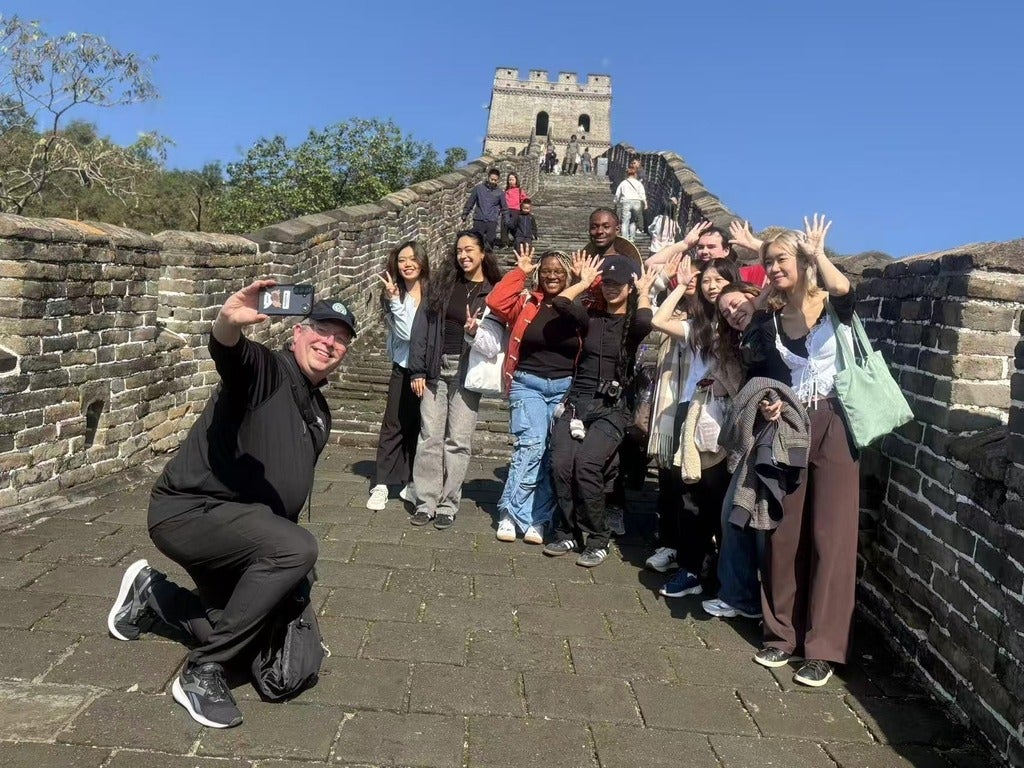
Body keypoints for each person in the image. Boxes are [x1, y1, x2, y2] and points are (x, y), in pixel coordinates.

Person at [106, 281, 357, 729]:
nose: (329, 341)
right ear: (297, 332)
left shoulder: (320, 412)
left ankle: (152, 596)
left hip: (242, 532)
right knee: (297, 550)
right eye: (321, 328)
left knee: (254, 645)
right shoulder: (267, 372)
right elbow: (233, 354)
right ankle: (201, 673)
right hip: (189, 511)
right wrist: (227, 323)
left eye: (340, 337)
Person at [742, 214, 858, 687]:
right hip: (790, 426)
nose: (773, 268)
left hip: (835, 422)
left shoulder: (832, 304)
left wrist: (819, 256)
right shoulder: (768, 318)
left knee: (832, 536)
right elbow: (759, 371)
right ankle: (780, 634)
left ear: (802, 261)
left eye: (780, 259)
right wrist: (768, 403)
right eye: (767, 262)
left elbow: (848, 292)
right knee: (784, 531)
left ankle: (824, 647)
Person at [544, 254, 655, 567]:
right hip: (577, 401)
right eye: (606, 282)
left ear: (629, 286)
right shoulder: (590, 317)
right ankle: (565, 531)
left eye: (617, 284)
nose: (610, 289)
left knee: (588, 465)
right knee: (561, 464)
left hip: (613, 407)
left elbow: (647, 322)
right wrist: (582, 282)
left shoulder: (632, 325)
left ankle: (597, 537)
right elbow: (561, 304)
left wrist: (643, 291)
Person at [650, 256, 744, 598]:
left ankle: (716, 569)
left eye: (719, 279)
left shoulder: (741, 322)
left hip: (732, 416)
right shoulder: (697, 327)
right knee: (690, 493)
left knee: (721, 498)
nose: (711, 284)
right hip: (696, 414)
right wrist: (680, 285)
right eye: (706, 280)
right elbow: (659, 320)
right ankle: (691, 569)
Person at [484, 246, 580, 544]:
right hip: (528, 383)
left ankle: (539, 518)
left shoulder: (579, 304)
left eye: (559, 272)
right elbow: (496, 301)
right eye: (547, 271)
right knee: (531, 446)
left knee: (553, 454)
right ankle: (511, 514)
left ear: (567, 275)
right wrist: (520, 272)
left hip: (565, 387)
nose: (552, 276)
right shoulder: (527, 301)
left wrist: (582, 281)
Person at [408, 230, 502, 530]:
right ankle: (426, 501)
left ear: (483, 253)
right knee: (429, 436)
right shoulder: (442, 284)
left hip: (467, 370)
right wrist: (417, 370)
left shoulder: (493, 290)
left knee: (458, 441)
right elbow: (421, 327)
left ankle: (448, 504)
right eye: (459, 250)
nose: (463, 255)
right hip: (436, 368)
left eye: (470, 249)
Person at [701, 281, 766, 620]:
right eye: (725, 311)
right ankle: (742, 596)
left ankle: (750, 598)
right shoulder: (740, 341)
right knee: (735, 513)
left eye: (737, 303)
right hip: (751, 435)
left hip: (773, 433)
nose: (732, 312)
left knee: (745, 515)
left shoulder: (771, 327)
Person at [367, 241, 429, 510]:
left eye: (413, 258)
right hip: (403, 369)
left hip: (428, 370)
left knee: (422, 427)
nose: (407, 264)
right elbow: (407, 333)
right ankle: (381, 484)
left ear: (423, 262)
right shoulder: (392, 295)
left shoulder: (433, 293)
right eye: (402, 259)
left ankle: (411, 482)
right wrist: (394, 299)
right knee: (394, 424)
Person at [462, 168, 508, 251]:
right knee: (477, 241)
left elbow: (504, 207)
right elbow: (471, 201)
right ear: (488, 178)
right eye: (492, 179)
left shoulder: (500, 192)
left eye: (495, 180)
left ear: (498, 180)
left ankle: (487, 258)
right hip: (479, 219)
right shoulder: (479, 189)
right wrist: (465, 212)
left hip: (492, 220)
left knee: (490, 240)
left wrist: (507, 219)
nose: (493, 181)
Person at [614, 160, 647, 242]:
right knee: (632, 222)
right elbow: (642, 194)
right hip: (637, 202)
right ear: (635, 174)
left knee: (625, 222)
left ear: (627, 174)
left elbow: (617, 194)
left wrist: (615, 201)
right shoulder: (638, 183)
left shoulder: (623, 183)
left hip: (626, 202)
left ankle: (625, 239)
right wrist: (645, 203)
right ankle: (632, 239)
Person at [502, 173, 526, 247]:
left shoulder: (519, 190)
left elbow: (524, 200)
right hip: (506, 210)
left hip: (515, 210)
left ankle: (518, 238)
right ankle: (505, 243)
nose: (511, 181)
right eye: (509, 180)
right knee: (504, 226)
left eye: (512, 179)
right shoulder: (506, 191)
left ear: (516, 180)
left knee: (513, 226)